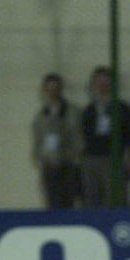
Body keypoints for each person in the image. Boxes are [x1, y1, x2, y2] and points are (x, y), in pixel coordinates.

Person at [79, 65, 130, 207]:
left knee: (115, 199)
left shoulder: (122, 109)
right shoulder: (88, 111)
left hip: (113, 160)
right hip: (91, 160)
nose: (102, 85)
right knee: (92, 200)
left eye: (106, 80)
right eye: (99, 81)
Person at [31, 72, 83, 209]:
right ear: (44, 90)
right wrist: (41, 159)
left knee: (70, 202)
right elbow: (37, 142)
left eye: (56, 88)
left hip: (69, 165)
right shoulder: (40, 117)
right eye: (49, 88)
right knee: (52, 204)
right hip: (49, 167)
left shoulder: (73, 113)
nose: (53, 92)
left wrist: (72, 157)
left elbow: (79, 138)